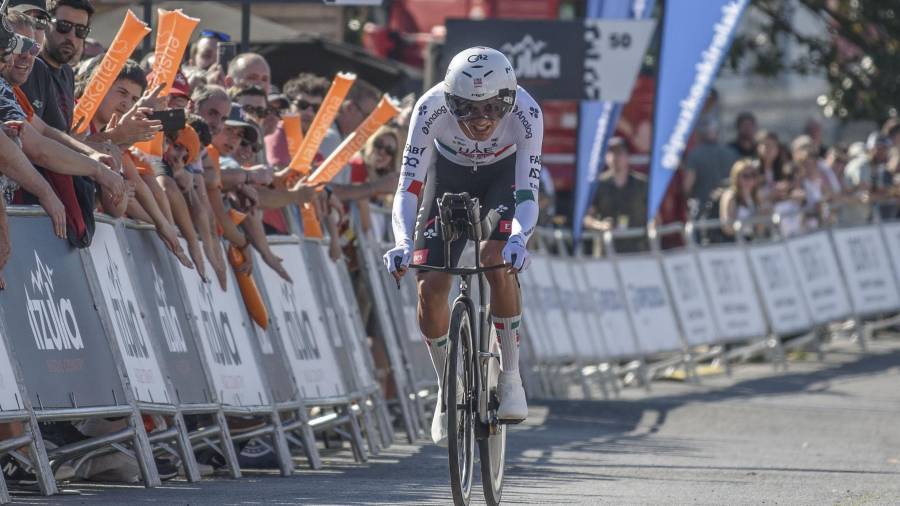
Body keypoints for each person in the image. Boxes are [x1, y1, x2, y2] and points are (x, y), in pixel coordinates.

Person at [384, 46, 541, 444]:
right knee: (430, 287)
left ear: (509, 99)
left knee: (495, 258)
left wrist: (519, 237)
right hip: (448, 175)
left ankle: (509, 377)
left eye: (492, 108)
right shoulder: (429, 107)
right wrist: (402, 241)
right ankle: (446, 386)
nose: (481, 120)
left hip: (501, 177)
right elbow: (408, 188)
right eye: (467, 109)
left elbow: (527, 193)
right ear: (450, 100)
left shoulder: (527, 112)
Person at [582, 137, 648, 253]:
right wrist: (600, 225)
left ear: (628, 156)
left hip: (637, 251)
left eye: (619, 153)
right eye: (611, 153)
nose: (615, 157)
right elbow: (586, 218)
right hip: (607, 252)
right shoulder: (598, 185)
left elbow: (655, 217)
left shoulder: (642, 184)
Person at [683, 117, 739, 218]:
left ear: (698, 135)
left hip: (704, 210)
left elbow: (687, 185)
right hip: (729, 209)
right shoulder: (731, 153)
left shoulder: (694, 155)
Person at [719, 159, 761, 238]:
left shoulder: (756, 196)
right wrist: (748, 225)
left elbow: (760, 227)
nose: (750, 179)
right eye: (746, 176)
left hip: (752, 242)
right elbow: (728, 228)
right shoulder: (730, 196)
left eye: (754, 175)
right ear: (736, 177)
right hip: (734, 244)